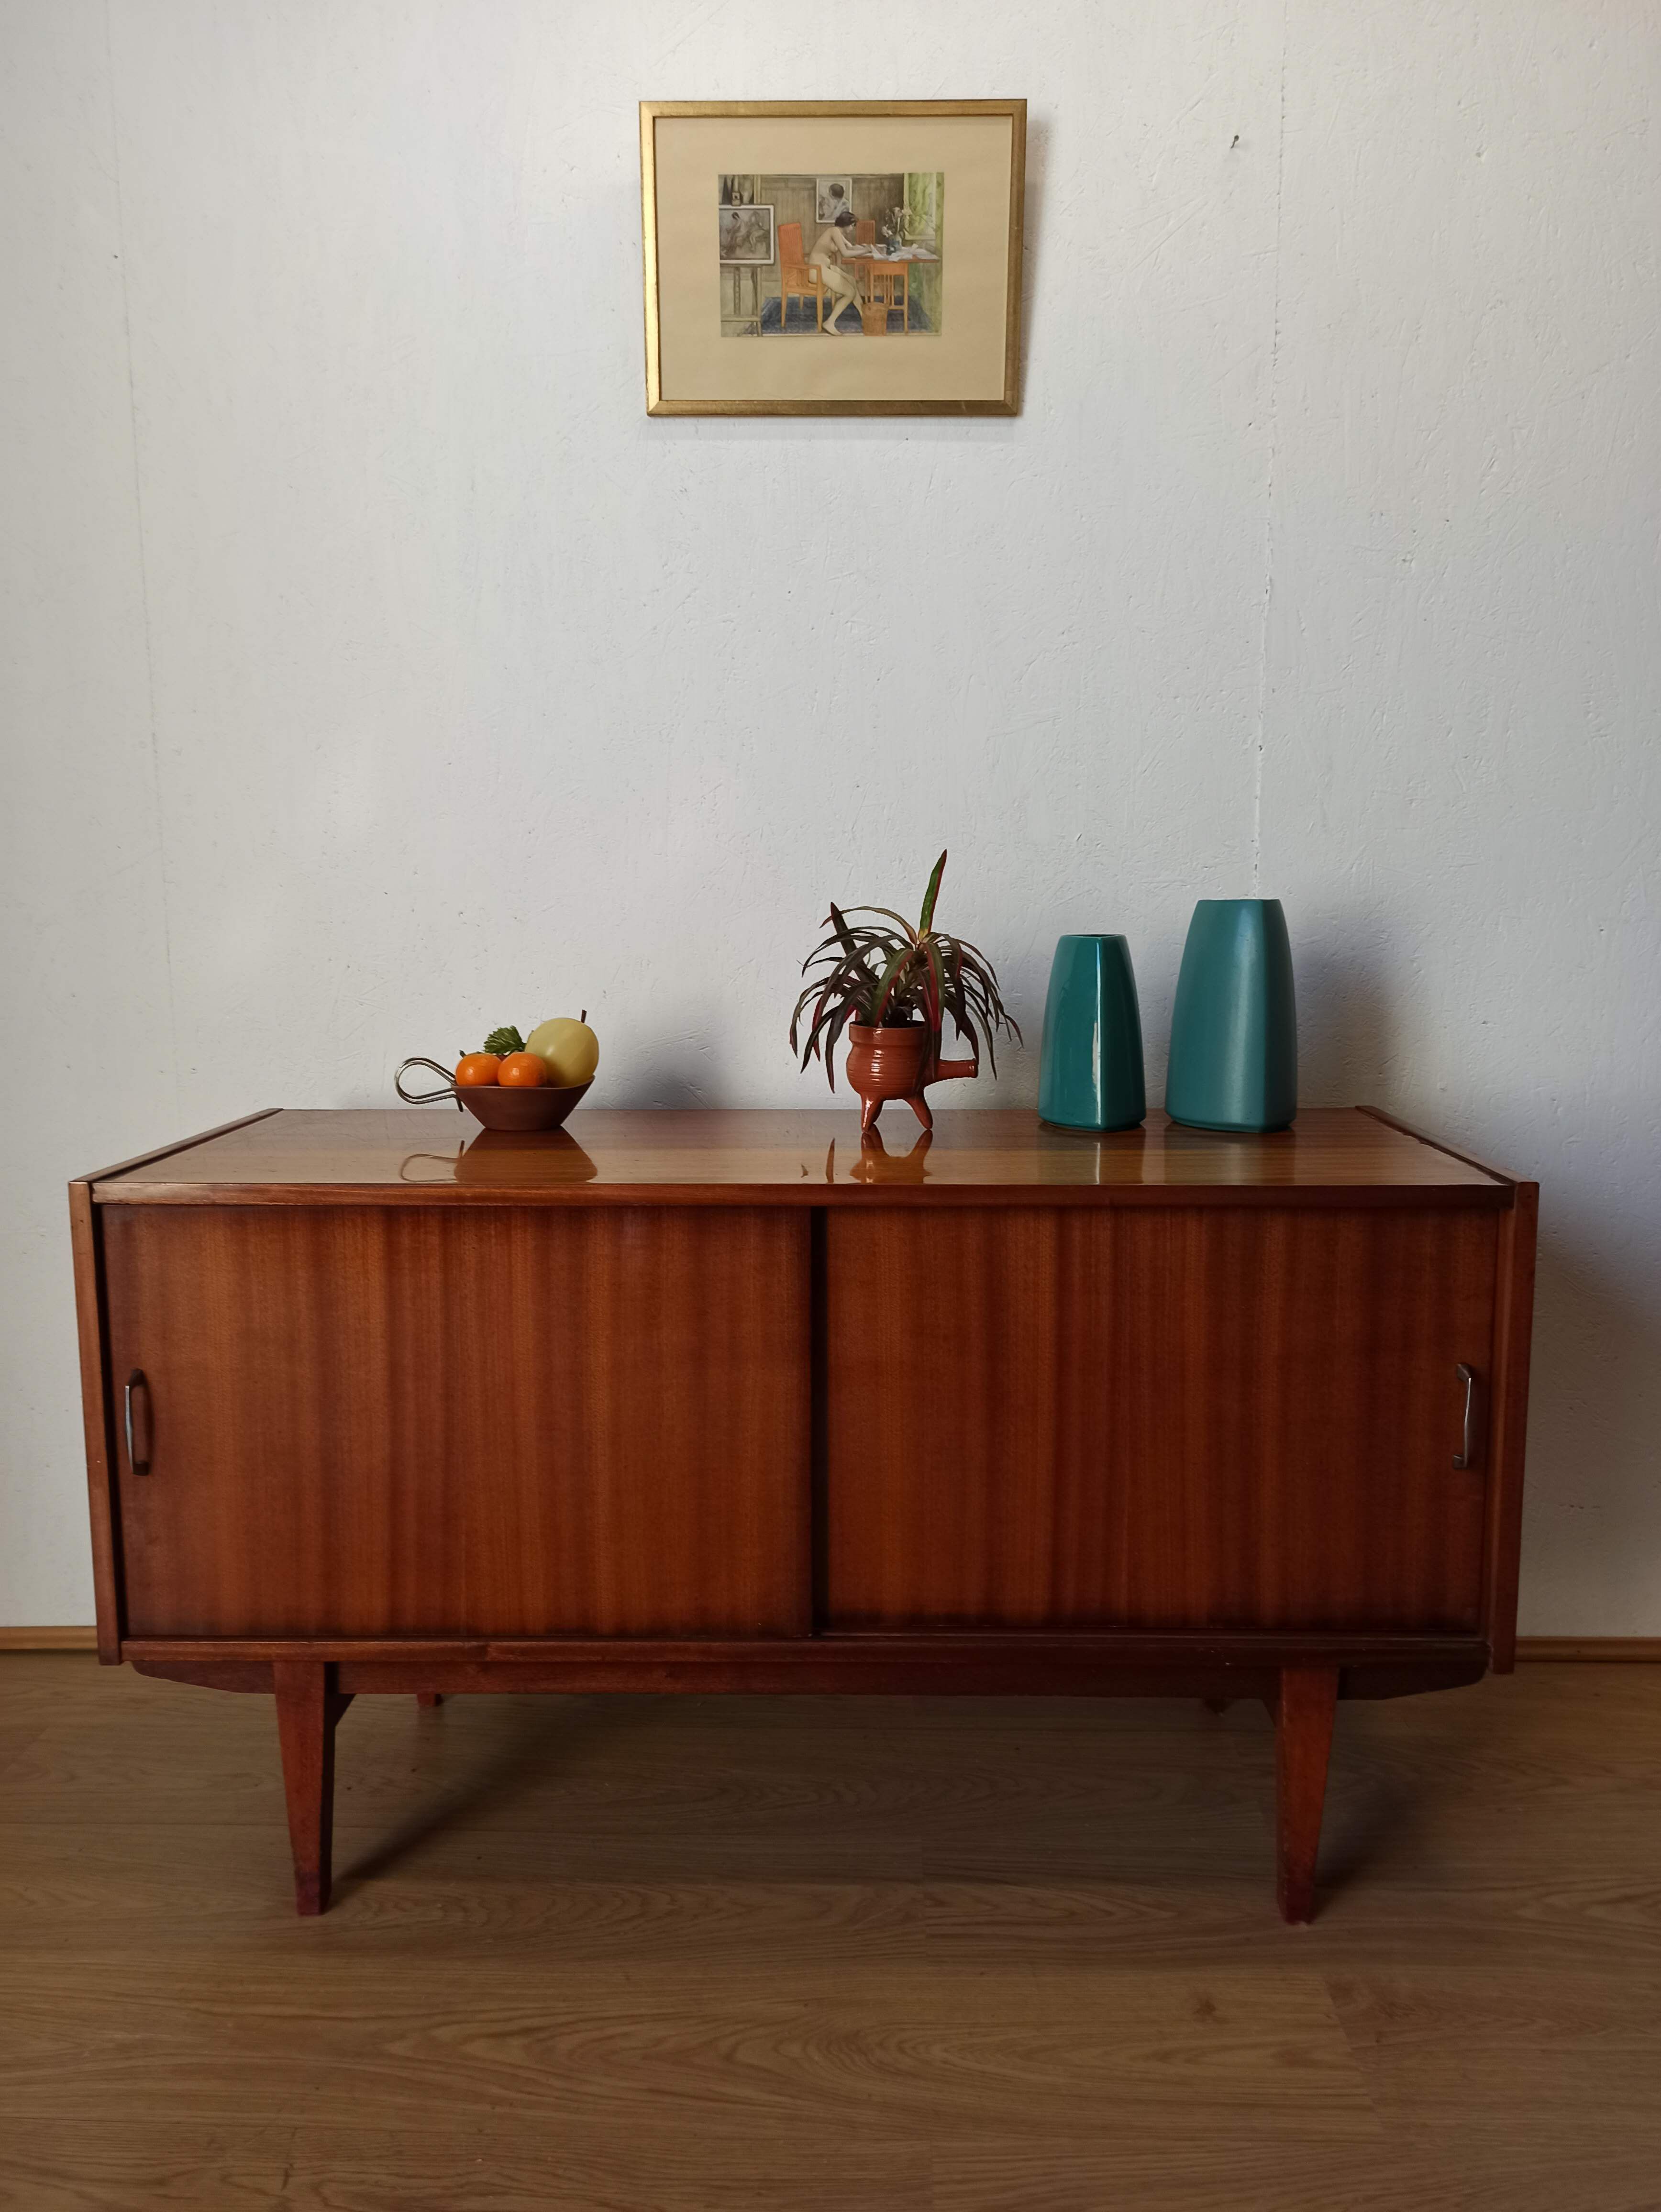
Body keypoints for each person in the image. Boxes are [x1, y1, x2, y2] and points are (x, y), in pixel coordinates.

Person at [808, 207, 864, 333]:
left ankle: (864, 316)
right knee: (850, 293)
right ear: (846, 224)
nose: (852, 229)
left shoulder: (838, 233)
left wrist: (867, 249)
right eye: (852, 226)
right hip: (816, 270)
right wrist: (866, 251)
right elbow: (845, 253)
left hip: (824, 268)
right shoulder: (834, 232)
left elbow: (850, 247)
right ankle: (829, 322)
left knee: (851, 280)